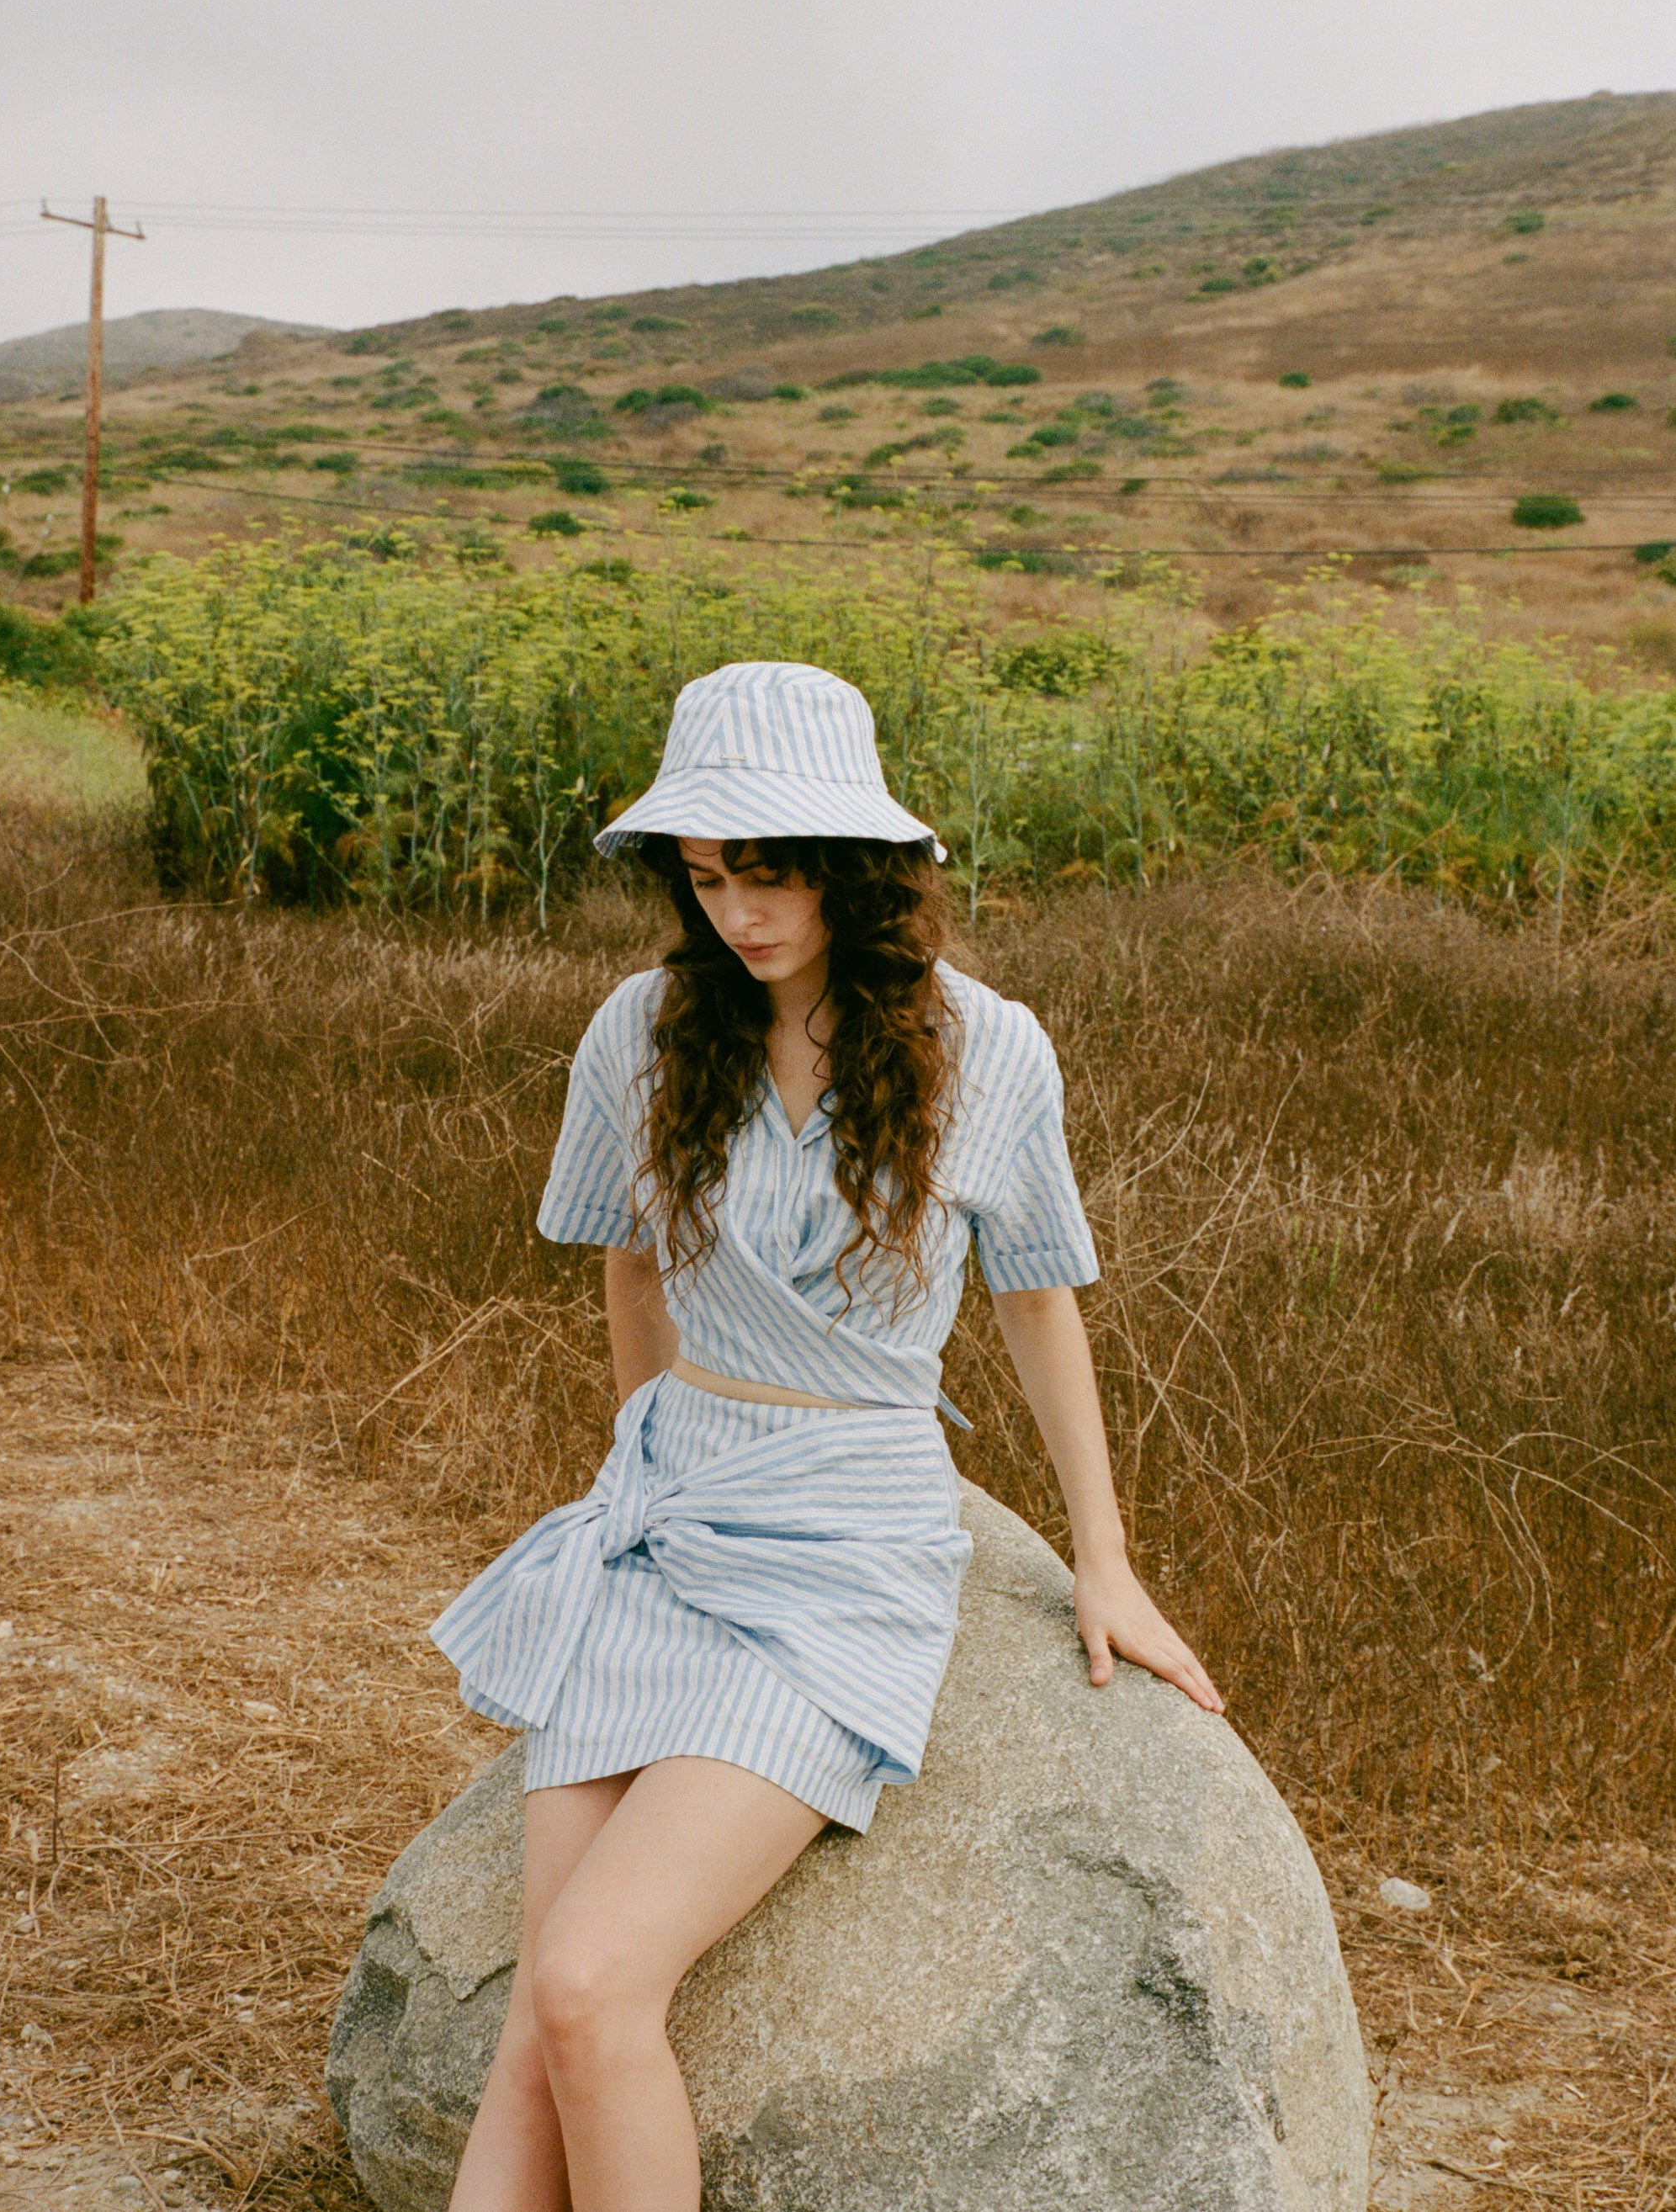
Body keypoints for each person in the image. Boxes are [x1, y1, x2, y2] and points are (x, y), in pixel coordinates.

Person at [431, 659, 1222, 2212]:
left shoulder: (988, 1046)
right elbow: (630, 1261)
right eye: (709, 874)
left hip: (851, 1536)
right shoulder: (645, 1030)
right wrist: (640, 1462)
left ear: (860, 868)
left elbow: (1041, 1298)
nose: (741, 911)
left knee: (594, 1980)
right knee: (540, 2014)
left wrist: (1103, 1557)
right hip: (665, 1513)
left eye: (775, 870)